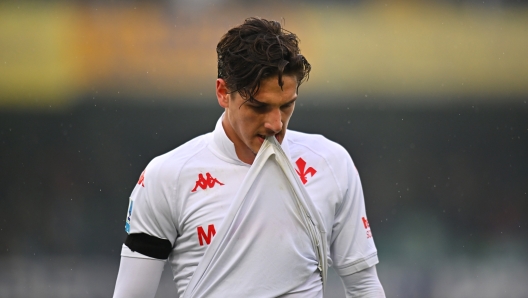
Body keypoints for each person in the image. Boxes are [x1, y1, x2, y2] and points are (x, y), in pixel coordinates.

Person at [113, 17, 385, 298]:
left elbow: (364, 287)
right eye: (258, 106)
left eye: (287, 105)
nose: (275, 123)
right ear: (223, 92)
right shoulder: (167, 175)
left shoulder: (331, 163)